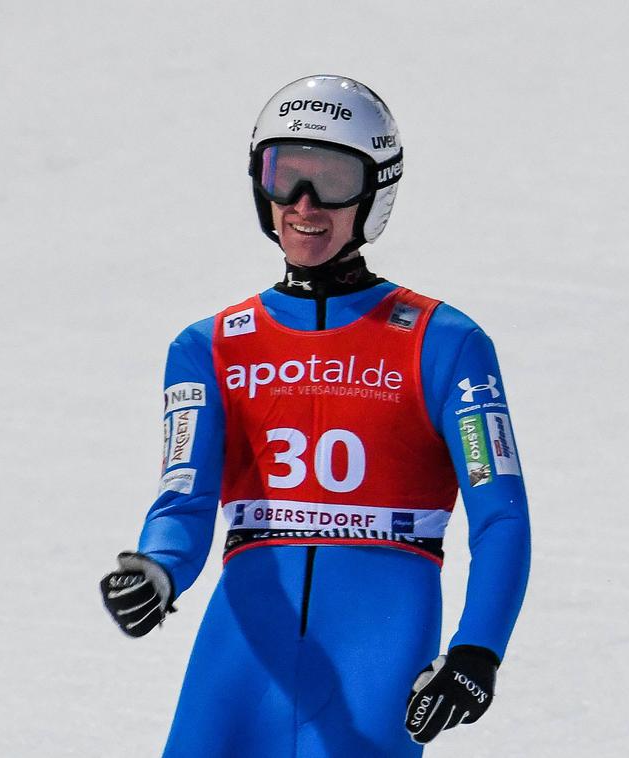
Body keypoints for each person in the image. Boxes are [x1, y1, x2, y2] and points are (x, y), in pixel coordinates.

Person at [101, 74, 531, 757]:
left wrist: (477, 652)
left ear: (375, 191)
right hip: (244, 647)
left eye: (331, 180)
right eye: (284, 177)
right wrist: (155, 570)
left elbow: (501, 515)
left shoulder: (446, 342)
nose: (304, 204)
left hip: (378, 639)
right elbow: (183, 498)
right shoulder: (207, 346)